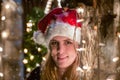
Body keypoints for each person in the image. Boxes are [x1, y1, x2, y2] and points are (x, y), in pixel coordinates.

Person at [26, 2, 84, 80]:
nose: (60, 50)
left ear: (78, 45)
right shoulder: (36, 76)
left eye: (68, 42)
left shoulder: (90, 76)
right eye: (54, 43)